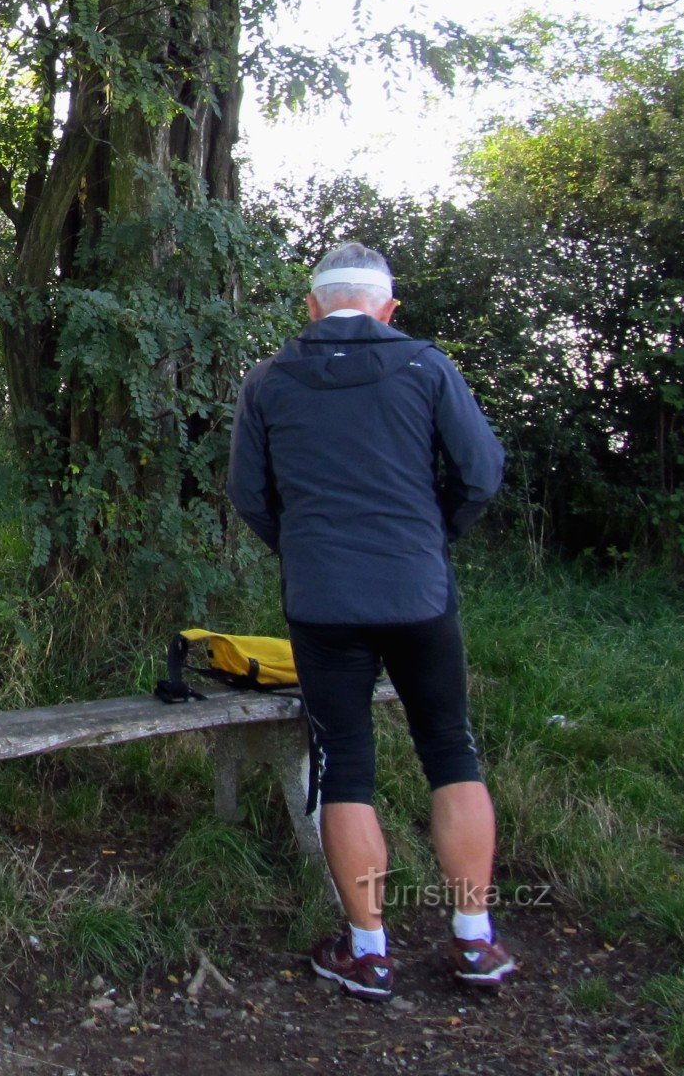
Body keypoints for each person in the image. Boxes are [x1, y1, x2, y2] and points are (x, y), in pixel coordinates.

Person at [226, 241, 515, 999]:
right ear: (386, 310)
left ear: (312, 308)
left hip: (322, 602)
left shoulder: (268, 379)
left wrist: (302, 549)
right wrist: (433, 535)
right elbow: (481, 472)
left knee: (343, 764)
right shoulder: (425, 366)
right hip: (418, 590)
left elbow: (248, 495)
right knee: (451, 750)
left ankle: (368, 951)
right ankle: (474, 943)